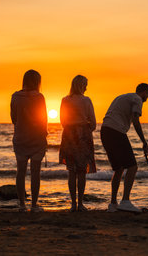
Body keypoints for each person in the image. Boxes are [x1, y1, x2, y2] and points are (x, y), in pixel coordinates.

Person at [100, 83, 148, 213]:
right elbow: (135, 120)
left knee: (119, 169)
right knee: (133, 167)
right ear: (144, 91)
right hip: (116, 131)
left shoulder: (123, 97)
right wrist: (144, 141)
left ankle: (113, 204)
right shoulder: (137, 99)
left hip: (105, 131)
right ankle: (125, 201)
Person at [10, 70, 48, 212]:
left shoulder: (15, 96)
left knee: (20, 171)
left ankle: (21, 205)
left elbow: (14, 119)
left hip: (20, 138)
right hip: (37, 139)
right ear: (37, 82)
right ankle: (33, 205)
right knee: (35, 172)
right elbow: (43, 119)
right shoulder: (39, 97)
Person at [59, 75, 97, 212]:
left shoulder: (65, 100)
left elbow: (62, 121)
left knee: (71, 171)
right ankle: (80, 204)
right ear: (81, 85)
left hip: (69, 135)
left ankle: (73, 204)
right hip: (83, 136)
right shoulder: (86, 100)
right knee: (81, 172)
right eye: (85, 84)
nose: (86, 87)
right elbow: (93, 123)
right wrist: (85, 129)